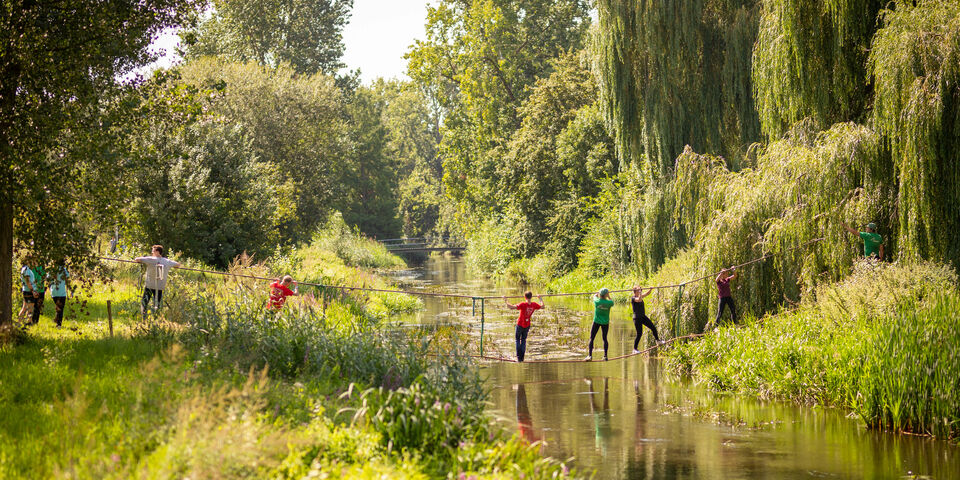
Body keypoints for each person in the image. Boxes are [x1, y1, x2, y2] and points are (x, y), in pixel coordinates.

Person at [135, 245, 181, 318]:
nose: (152, 252)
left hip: (149, 286)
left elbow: (137, 259)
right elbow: (178, 265)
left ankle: (144, 317)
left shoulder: (150, 259)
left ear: (157, 252)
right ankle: (156, 317)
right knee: (157, 304)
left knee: (145, 302)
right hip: (160, 287)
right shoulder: (167, 261)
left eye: (153, 251)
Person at [504, 291, 544, 363]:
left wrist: (505, 299)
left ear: (525, 297)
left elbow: (511, 307)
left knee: (517, 340)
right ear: (531, 297)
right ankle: (522, 358)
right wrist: (540, 298)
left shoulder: (523, 304)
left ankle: (519, 358)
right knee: (523, 340)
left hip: (520, 324)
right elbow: (543, 306)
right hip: (527, 325)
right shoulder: (534, 305)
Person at [586, 288, 614, 361]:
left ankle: (590, 356)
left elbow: (594, 296)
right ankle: (605, 356)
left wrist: (596, 294)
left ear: (600, 295)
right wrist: (609, 296)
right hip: (605, 323)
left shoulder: (597, 301)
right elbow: (612, 302)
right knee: (604, 338)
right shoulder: (609, 303)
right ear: (606, 295)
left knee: (592, 338)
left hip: (596, 321)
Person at [631, 286, 660, 353]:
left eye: (640, 290)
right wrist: (640, 293)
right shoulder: (633, 298)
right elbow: (639, 300)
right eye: (638, 290)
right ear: (635, 292)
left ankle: (658, 340)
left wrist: (650, 289)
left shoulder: (640, 296)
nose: (640, 291)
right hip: (637, 318)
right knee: (639, 333)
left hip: (643, 316)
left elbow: (646, 294)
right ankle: (635, 349)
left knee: (653, 327)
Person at [18, 256, 40, 324]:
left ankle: (20, 323)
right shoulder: (26, 269)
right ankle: (28, 323)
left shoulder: (24, 269)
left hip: (26, 290)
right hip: (28, 291)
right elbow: (27, 281)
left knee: (24, 307)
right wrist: (33, 291)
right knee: (30, 308)